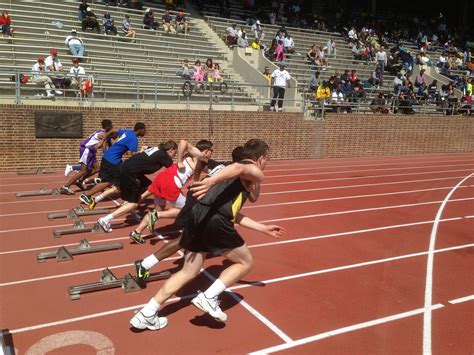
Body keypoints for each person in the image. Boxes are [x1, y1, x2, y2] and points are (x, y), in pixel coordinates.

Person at [129, 139, 284, 330]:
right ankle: (209, 297)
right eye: (266, 159)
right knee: (246, 262)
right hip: (215, 220)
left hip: (200, 214)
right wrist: (210, 180)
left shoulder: (228, 172)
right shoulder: (252, 170)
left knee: (189, 271)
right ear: (260, 158)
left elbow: (233, 212)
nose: (266, 164)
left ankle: (147, 312)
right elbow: (239, 168)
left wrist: (262, 228)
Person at [133, 146, 246, 279]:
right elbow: (253, 197)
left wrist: (197, 179)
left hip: (197, 201)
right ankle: (145, 264)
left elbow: (202, 160)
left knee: (193, 238)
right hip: (199, 205)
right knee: (184, 239)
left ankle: (186, 259)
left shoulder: (222, 165)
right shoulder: (238, 174)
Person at [128, 140, 214, 243]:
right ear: (206, 150)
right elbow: (183, 142)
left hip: (162, 179)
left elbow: (211, 171)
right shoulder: (197, 154)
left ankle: (137, 232)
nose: (212, 153)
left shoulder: (201, 161)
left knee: (158, 210)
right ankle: (192, 233)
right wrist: (179, 161)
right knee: (186, 210)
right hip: (171, 182)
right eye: (211, 150)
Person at [97, 141, 179, 232]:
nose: (174, 156)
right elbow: (175, 169)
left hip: (129, 168)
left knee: (150, 187)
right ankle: (105, 219)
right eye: (175, 153)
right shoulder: (164, 156)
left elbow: (144, 147)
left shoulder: (157, 149)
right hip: (130, 172)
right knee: (133, 203)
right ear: (171, 150)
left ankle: (130, 203)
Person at [79, 122, 146, 207]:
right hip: (112, 160)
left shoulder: (128, 132)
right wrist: (143, 153)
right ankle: (87, 195)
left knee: (117, 180)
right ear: (140, 129)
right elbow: (131, 155)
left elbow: (112, 130)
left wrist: (103, 140)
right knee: (111, 181)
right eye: (145, 130)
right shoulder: (134, 139)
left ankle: (123, 196)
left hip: (109, 157)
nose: (145, 132)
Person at [60, 119, 114, 195]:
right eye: (111, 125)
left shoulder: (104, 133)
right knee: (83, 170)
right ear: (108, 126)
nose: (112, 127)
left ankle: (80, 181)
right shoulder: (102, 134)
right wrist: (108, 156)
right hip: (87, 150)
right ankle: (66, 187)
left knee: (97, 168)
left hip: (91, 151)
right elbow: (104, 147)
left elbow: (109, 144)